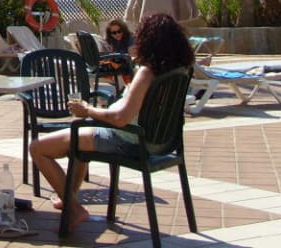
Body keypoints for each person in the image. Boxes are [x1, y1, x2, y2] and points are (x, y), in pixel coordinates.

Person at [29, 13, 194, 232]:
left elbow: (120, 119)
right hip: (161, 142)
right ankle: (69, 198)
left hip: (127, 140)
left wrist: (88, 110)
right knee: (79, 141)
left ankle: (74, 208)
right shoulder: (178, 71)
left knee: (38, 148)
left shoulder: (147, 73)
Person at [101, 18, 134, 84]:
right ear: (110, 34)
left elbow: (132, 56)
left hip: (126, 67)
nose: (117, 34)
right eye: (114, 33)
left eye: (119, 31)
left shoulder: (130, 38)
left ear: (123, 30)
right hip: (115, 67)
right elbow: (105, 55)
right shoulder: (111, 40)